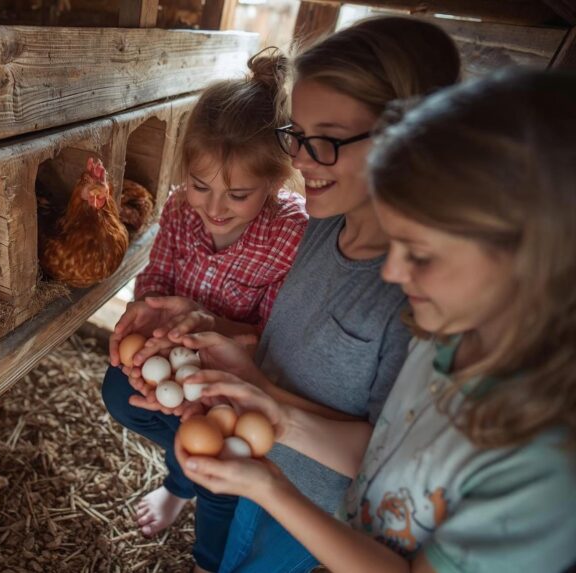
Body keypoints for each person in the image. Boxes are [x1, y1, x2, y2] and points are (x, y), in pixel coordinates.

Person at [178, 68, 576, 573]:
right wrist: (277, 416)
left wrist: (274, 491)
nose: (390, 271)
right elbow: (377, 450)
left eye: (422, 254)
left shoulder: (543, 474)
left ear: (529, 258)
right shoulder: (439, 348)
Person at [107, 17, 461, 573]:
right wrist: (216, 337)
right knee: (233, 549)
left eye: (322, 140)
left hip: (316, 501)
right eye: (294, 135)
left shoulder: (415, 295)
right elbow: (282, 340)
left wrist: (264, 405)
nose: (297, 160)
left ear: (407, 139)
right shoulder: (324, 227)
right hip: (264, 459)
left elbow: (388, 456)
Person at [102, 47, 308, 569]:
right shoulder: (178, 208)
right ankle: (180, 474)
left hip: (238, 379)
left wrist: (204, 322)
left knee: (220, 467)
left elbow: (272, 336)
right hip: (174, 361)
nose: (214, 208)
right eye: (200, 185)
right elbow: (155, 280)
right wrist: (143, 313)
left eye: (238, 194)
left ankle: (207, 555)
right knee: (119, 392)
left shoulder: (290, 233)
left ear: (275, 182)